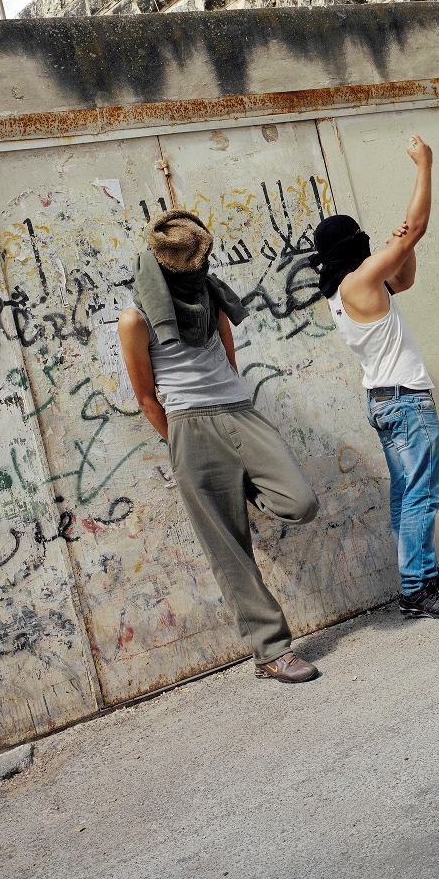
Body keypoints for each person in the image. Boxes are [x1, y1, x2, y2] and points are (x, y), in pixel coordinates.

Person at [119, 209, 322, 683]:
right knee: (229, 551)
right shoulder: (135, 319)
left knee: (301, 502)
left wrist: (234, 422)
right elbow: (148, 399)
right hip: (189, 428)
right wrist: (186, 447)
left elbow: (228, 361)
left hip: (238, 413)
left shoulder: (211, 296)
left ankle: (244, 484)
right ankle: (271, 651)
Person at [309, 135, 439, 620]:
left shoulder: (346, 290)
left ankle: (420, 575)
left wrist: (400, 249)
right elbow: (417, 226)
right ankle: (417, 592)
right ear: (350, 246)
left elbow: (405, 278)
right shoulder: (359, 282)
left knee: (407, 492)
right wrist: (426, 164)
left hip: (386, 402)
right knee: (425, 491)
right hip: (405, 403)